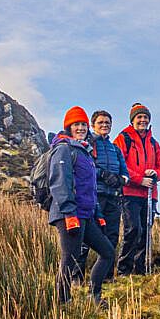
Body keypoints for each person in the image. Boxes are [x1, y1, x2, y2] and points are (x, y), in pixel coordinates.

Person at [49, 106, 113, 308]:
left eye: (83, 124)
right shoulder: (63, 149)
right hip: (69, 214)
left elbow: (90, 188)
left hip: (86, 214)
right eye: (76, 124)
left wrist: (98, 214)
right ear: (68, 127)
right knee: (70, 258)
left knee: (108, 252)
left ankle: (94, 297)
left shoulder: (85, 152)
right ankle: (63, 303)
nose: (81, 128)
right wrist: (68, 213)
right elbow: (60, 183)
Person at [114, 103, 160, 275]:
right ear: (133, 120)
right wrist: (139, 179)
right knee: (133, 230)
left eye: (145, 117)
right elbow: (119, 164)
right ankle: (124, 270)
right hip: (130, 193)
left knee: (145, 231)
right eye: (139, 117)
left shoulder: (154, 143)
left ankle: (140, 270)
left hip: (150, 195)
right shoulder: (123, 138)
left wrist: (155, 174)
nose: (143, 120)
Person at [79, 110, 128, 280]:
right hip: (95, 196)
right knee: (86, 237)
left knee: (112, 235)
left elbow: (125, 171)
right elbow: (87, 166)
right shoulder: (88, 143)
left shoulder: (115, 148)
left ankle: (106, 276)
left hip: (114, 197)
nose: (104, 125)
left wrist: (121, 180)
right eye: (101, 122)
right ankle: (77, 276)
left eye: (107, 123)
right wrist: (104, 174)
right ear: (93, 125)